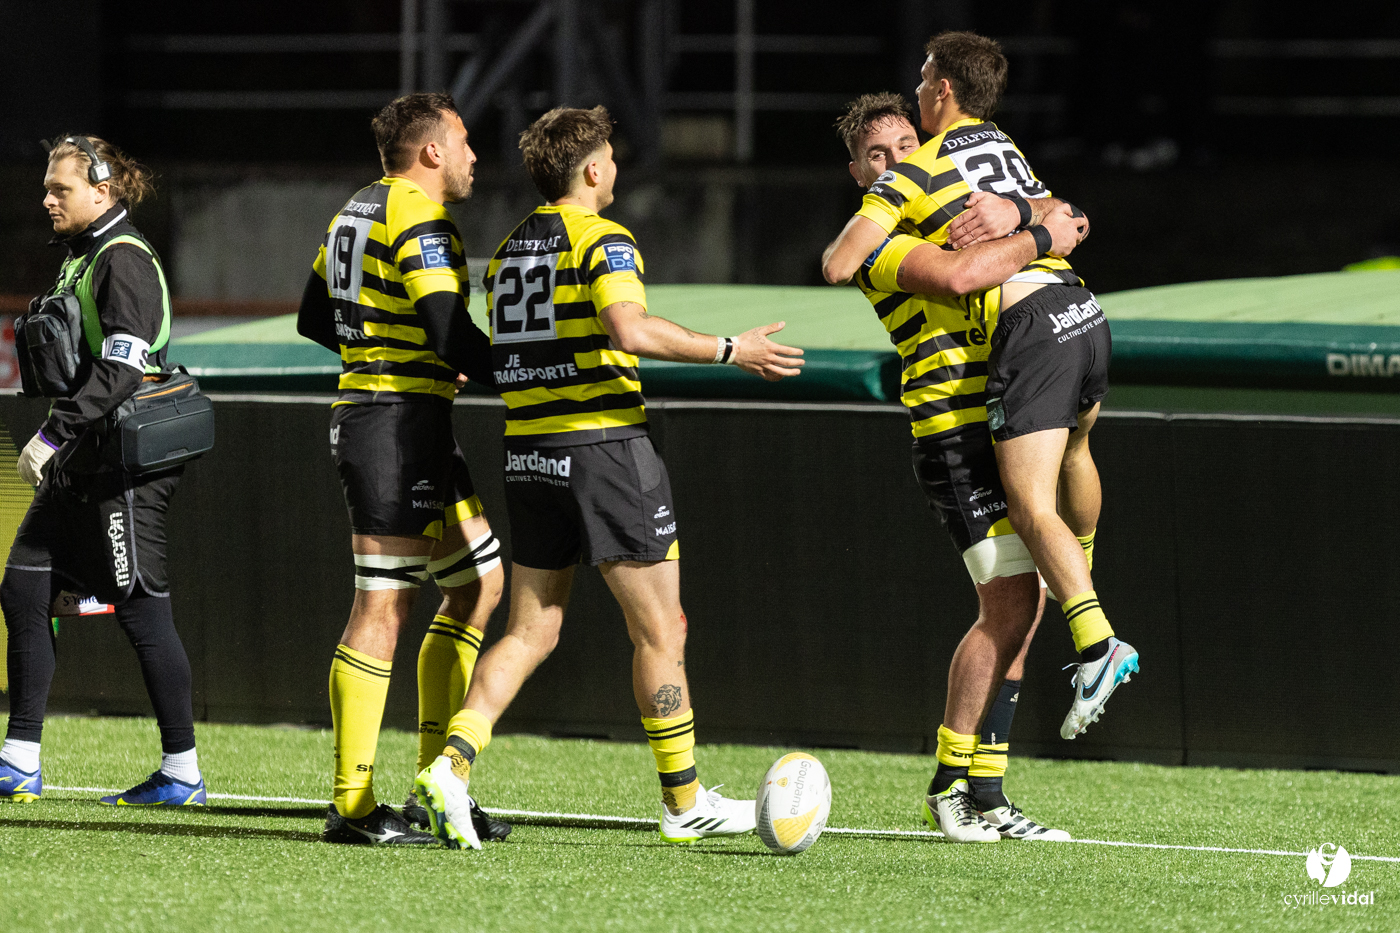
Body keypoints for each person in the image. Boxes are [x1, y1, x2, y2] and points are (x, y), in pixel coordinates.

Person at [413, 106, 805, 850]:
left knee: (531, 628)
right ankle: (684, 800)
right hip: (604, 451)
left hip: (529, 452)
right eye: (613, 158)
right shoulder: (604, 238)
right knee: (661, 628)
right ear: (593, 169)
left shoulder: (506, 252)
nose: (617, 168)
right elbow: (629, 329)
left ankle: (452, 766)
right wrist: (731, 348)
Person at [825, 34, 1138, 775]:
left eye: (907, 141)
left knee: (1022, 608)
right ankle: (953, 780)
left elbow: (1056, 207)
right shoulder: (884, 244)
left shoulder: (952, 185)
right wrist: (1042, 230)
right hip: (953, 435)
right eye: (878, 154)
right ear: (857, 173)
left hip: (1011, 391)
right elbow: (963, 274)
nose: (897, 158)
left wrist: (1050, 214)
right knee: (1007, 607)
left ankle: (988, 787)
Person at [296, 92, 509, 846]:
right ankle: (351, 807)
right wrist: (538, 370)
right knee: (381, 609)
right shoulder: (419, 217)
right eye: (464, 141)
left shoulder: (355, 207)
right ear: (431, 153)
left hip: (405, 418)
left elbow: (313, 315)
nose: (474, 155)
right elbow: (452, 332)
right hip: (392, 427)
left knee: (480, 582)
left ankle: (434, 787)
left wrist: (394, 357)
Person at [0, 135, 205, 806]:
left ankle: (182, 772)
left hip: (124, 461)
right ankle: (19, 759)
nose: (47, 197)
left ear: (102, 189)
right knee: (24, 584)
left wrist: (50, 436)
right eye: (48, 187)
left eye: (60, 188)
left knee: (141, 607)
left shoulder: (122, 258)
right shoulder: (84, 257)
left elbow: (122, 368)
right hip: (88, 455)